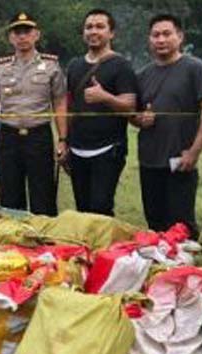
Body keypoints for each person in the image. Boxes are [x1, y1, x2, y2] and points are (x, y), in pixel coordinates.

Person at [131, 14, 202, 238]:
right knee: (155, 222)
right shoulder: (142, 75)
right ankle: (163, 271)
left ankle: (188, 270)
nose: (161, 40)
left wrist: (194, 151)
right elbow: (133, 115)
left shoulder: (195, 68)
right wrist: (140, 119)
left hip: (181, 160)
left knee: (181, 224)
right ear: (149, 40)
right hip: (149, 160)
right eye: (155, 35)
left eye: (166, 34)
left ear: (179, 37)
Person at [0, 12, 68, 216]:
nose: (22, 37)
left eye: (27, 31)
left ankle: (42, 242)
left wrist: (63, 139)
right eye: (17, 32)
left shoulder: (51, 66)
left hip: (38, 136)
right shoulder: (0, 69)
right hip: (9, 137)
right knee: (10, 195)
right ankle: (15, 241)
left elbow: (60, 103)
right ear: (11, 37)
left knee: (43, 195)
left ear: (36, 34)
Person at [65, 9, 138, 216]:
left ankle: (105, 248)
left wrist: (105, 97)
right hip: (78, 148)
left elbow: (130, 107)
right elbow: (70, 107)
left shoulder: (121, 66)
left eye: (100, 26)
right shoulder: (74, 65)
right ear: (83, 32)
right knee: (82, 208)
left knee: (101, 208)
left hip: (107, 149)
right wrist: (64, 142)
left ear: (111, 33)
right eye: (89, 27)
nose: (93, 31)